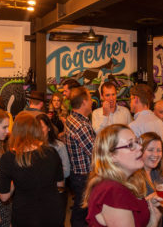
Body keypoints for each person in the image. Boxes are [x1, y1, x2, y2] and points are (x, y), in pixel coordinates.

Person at [82, 124, 162, 227]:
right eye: (130, 145)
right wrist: (152, 223)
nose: (140, 147)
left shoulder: (122, 182)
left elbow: (128, 208)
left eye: (137, 142)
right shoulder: (113, 192)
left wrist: (148, 204)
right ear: (112, 156)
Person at [0, 113, 64, 226]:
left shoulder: (8, 158)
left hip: (25, 215)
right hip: (52, 213)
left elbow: (4, 197)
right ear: (36, 130)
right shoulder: (51, 152)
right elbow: (60, 184)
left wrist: (16, 179)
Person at [64, 86, 95, 227]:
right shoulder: (81, 125)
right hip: (84, 175)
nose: (92, 102)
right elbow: (95, 151)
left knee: (80, 209)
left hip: (76, 173)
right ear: (83, 102)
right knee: (82, 212)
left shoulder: (72, 118)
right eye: (90, 99)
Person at [36, 113, 70, 225]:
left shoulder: (59, 146)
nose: (39, 130)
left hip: (56, 192)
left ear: (49, 128)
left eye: (41, 127)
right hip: (38, 193)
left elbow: (66, 171)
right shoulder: (32, 147)